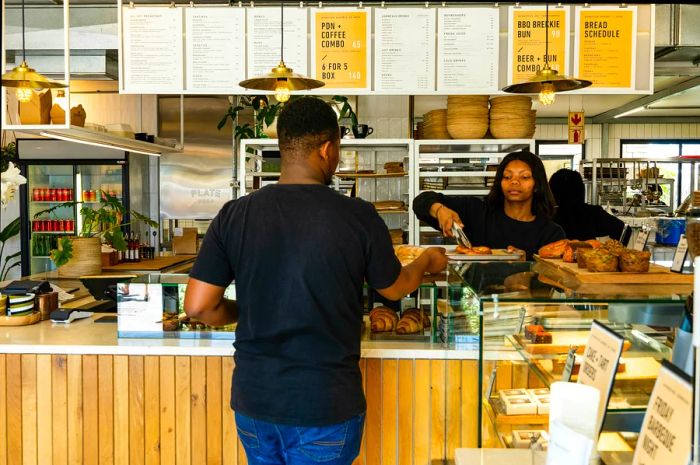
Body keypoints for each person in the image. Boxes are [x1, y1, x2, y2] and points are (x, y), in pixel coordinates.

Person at [183, 97, 447, 465]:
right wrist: (426, 261)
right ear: (327, 148)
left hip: (256, 401)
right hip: (325, 402)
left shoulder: (235, 214)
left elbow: (198, 306)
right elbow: (394, 287)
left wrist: (247, 311)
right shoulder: (357, 215)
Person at [413, 150, 565, 259]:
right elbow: (421, 202)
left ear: (537, 185)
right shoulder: (477, 212)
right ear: (500, 182)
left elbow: (553, 283)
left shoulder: (551, 233)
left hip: (525, 304)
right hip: (477, 301)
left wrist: (526, 267)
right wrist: (440, 210)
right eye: (507, 176)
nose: (514, 181)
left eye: (524, 177)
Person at [549, 168, 625, 241]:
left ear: (553, 191)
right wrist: (615, 251)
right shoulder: (592, 212)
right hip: (587, 254)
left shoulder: (549, 214)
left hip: (553, 254)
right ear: (581, 189)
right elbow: (623, 229)